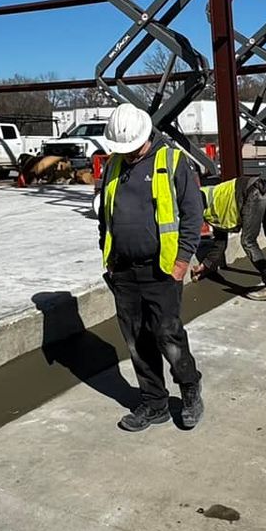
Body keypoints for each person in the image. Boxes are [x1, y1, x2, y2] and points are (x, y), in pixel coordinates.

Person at [96, 103, 205, 433]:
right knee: (136, 340)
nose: (127, 154)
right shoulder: (114, 165)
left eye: (131, 148)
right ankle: (154, 403)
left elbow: (193, 214)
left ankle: (189, 391)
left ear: (145, 135)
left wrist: (182, 262)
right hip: (124, 271)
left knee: (167, 335)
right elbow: (105, 215)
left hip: (162, 270)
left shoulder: (172, 161)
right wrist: (108, 256)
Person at [196, 175, 266, 302]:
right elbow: (220, 242)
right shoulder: (209, 198)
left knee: (248, 241)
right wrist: (206, 264)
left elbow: (220, 241)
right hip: (262, 187)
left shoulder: (204, 206)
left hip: (252, 192)